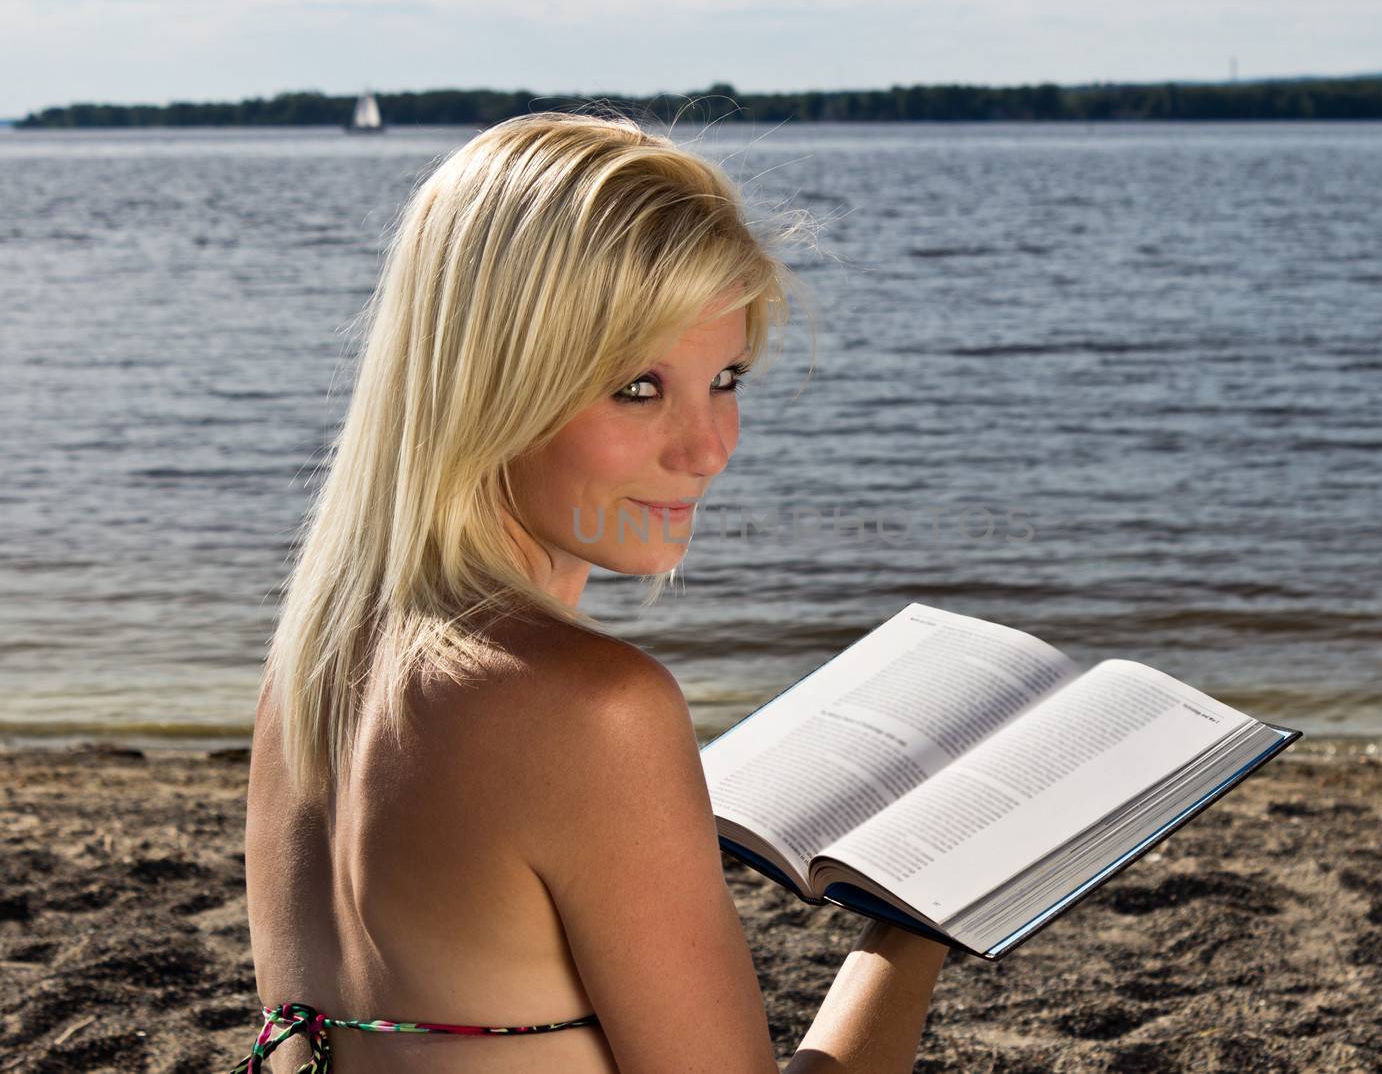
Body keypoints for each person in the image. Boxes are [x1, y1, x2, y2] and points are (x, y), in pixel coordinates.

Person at [235, 111, 949, 1074]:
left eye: (725, 378)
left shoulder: (311, 669)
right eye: (638, 388)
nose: (707, 447)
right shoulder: (591, 709)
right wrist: (913, 925)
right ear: (495, 381)